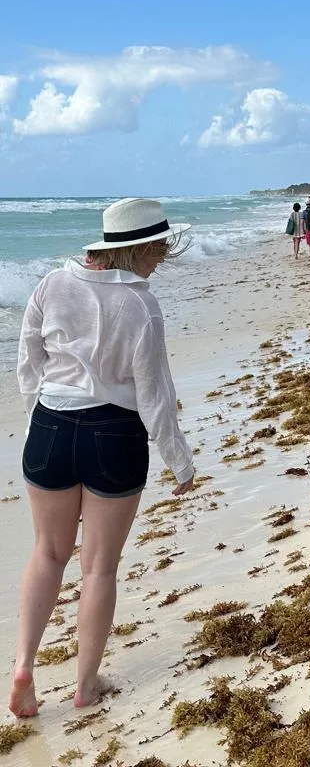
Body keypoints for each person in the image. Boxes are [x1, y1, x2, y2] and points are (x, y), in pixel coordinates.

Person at [9, 198, 196, 718]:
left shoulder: (50, 284)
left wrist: (38, 422)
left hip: (49, 426)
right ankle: (85, 686)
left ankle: (24, 665)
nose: (160, 258)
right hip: (114, 434)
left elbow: (29, 363)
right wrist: (178, 460)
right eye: (158, 249)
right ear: (137, 249)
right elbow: (154, 390)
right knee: (99, 569)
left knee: (48, 553)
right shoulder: (140, 305)